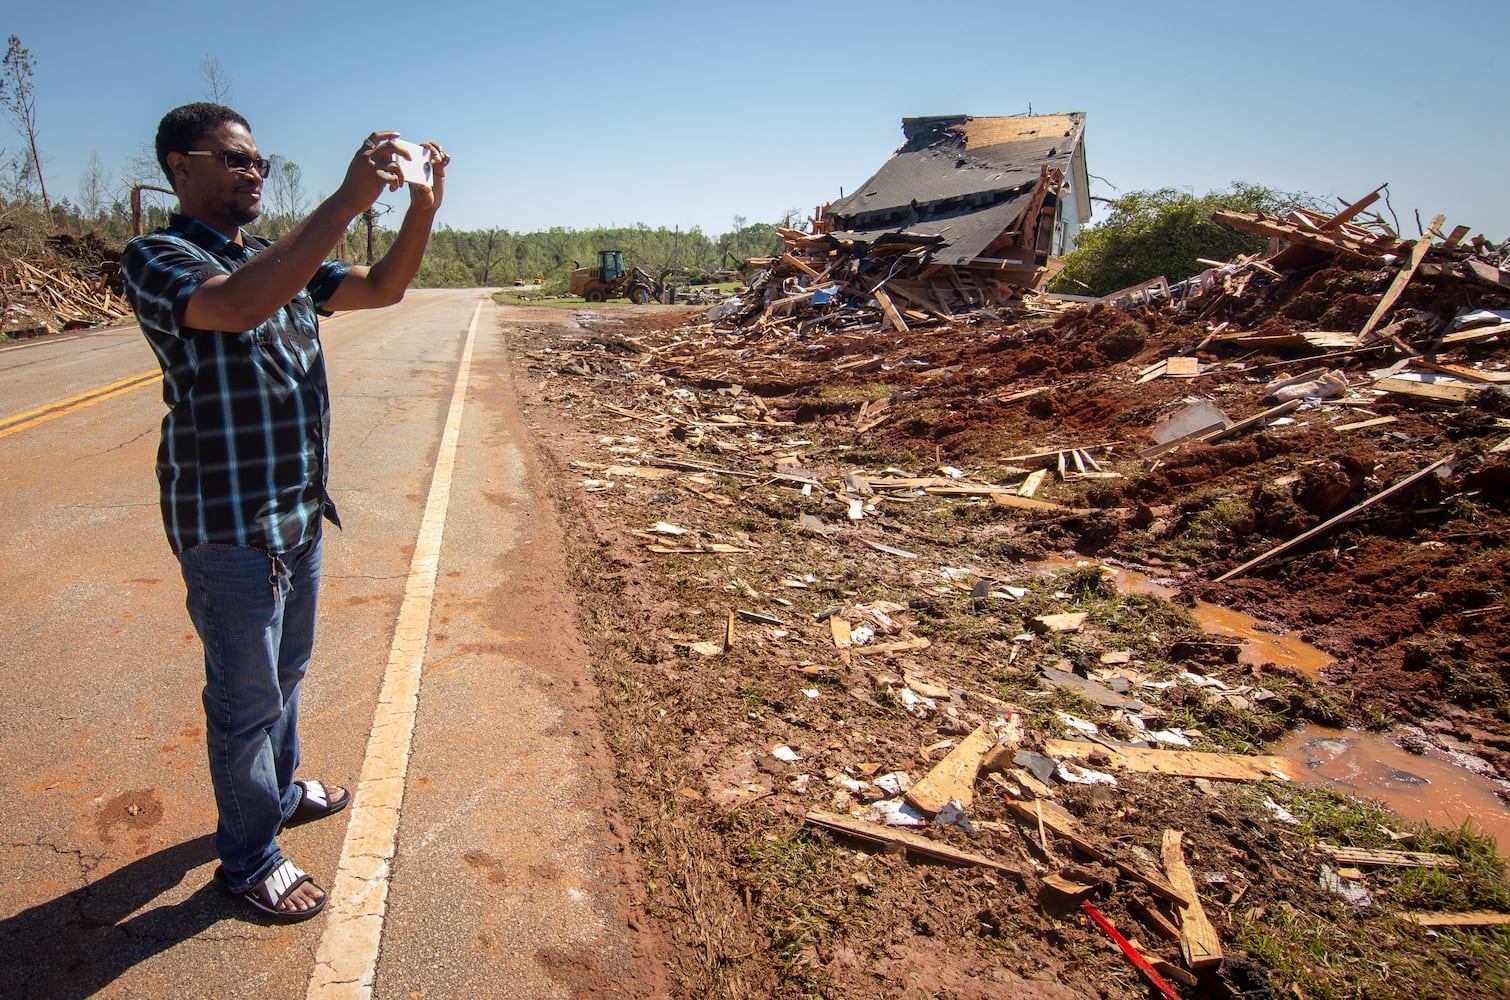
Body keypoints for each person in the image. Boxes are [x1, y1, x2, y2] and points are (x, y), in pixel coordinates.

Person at [121, 103, 449, 922]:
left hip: (297, 512)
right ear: (179, 167)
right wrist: (342, 203)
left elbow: (384, 287)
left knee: (286, 677)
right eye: (233, 159)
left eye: (259, 160)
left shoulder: (276, 256)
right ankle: (250, 858)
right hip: (227, 523)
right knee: (244, 700)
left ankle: (279, 791)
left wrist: (420, 209)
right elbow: (234, 308)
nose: (253, 171)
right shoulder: (158, 256)